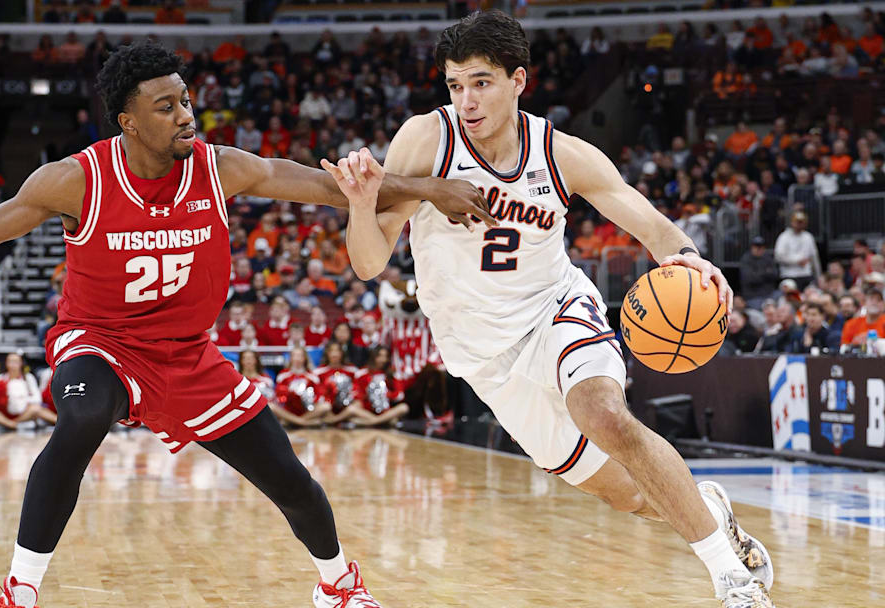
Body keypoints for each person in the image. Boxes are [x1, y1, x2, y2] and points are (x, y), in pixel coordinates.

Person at [0, 40, 489, 608]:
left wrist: (429, 188)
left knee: (289, 480)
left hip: (190, 355)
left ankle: (338, 584)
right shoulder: (77, 179)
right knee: (79, 419)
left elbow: (330, 190)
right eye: (166, 107)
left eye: (186, 100)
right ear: (127, 121)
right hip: (100, 342)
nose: (186, 115)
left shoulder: (220, 167)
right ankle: (19, 590)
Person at [323, 11, 774, 607]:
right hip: (481, 354)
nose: (466, 100)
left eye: (481, 82)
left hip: (553, 309)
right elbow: (368, 262)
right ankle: (710, 509)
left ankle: (732, 582)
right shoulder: (425, 140)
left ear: (518, 80)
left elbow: (644, 218)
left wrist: (689, 256)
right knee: (629, 497)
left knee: (604, 415)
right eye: (455, 85)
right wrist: (360, 205)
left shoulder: (559, 153)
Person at [0, 352, 53, 430]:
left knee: (36, 408)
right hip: (4, 413)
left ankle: (12, 424)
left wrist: (22, 400)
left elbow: (38, 399)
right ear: (6, 363)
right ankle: (9, 424)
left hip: (23, 414)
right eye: (10, 362)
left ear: (21, 363)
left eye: (15, 362)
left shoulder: (28, 378)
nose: (13, 365)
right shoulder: (1, 378)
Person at [271, 346, 331, 427]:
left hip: (307, 411)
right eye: (295, 356)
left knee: (326, 406)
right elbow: (279, 397)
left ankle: (295, 422)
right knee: (271, 406)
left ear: (305, 358)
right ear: (291, 358)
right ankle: (304, 423)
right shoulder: (283, 375)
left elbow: (319, 397)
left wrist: (307, 397)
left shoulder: (312, 376)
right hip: (288, 411)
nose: (297, 359)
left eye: (300, 356)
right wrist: (291, 392)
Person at [351, 345, 409, 427]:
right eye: (380, 356)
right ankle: (385, 421)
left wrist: (385, 394)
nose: (383, 359)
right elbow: (355, 393)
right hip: (367, 410)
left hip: (385, 410)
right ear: (373, 357)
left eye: (385, 356)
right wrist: (369, 395)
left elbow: (400, 395)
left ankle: (370, 422)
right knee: (353, 407)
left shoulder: (392, 373)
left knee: (404, 407)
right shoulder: (362, 373)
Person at [313, 341, 362, 424]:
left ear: (342, 353)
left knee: (358, 404)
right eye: (332, 351)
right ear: (327, 353)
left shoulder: (352, 370)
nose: (334, 354)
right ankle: (341, 420)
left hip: (346, 406)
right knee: (324, 406)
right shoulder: (318, 372)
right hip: (327, 407)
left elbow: (357, 391)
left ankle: (334, 420)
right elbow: (317, 393)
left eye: (337, 351)